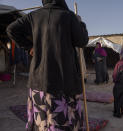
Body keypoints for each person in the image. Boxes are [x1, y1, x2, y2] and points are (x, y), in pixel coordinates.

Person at [7, 0, 89, 130]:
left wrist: (29, 47)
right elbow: (82, 40)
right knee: (63, 123)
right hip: (63, 84)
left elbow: (11, 29)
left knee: (42, 123)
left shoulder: (34, 16)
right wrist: (80, 23)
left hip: (38, 82)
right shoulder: (68, 16)